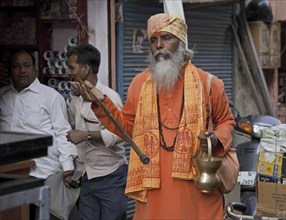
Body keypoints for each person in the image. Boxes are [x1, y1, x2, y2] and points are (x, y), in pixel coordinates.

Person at [71, 13, 235, 219]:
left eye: (167, 38)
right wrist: (100, 102)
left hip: (197, 190)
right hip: (153, 189)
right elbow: (128, 128)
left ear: (181, 42)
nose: (159, 45)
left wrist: (215, 139)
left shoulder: (209, 83)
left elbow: (227, 121)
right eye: (153, 40)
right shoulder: (139, 84)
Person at [0, 49, 79, 219]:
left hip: (43, 172)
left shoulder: (50, 96)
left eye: (27, 65)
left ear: (34, 68)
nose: (22, 71)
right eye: (16, 66)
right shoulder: (3, 96)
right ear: (10, 70)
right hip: (11, 172)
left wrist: (67, 170)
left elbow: (62, 132)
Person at [66, 44, 128, 220]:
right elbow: (71, 131)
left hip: (110, 175)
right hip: (86, 176)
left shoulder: (109, 97)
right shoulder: (75, 101)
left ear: (86, 69)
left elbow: (121, 134)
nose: (69, 72)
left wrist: (86, 135)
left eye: (72, 67)